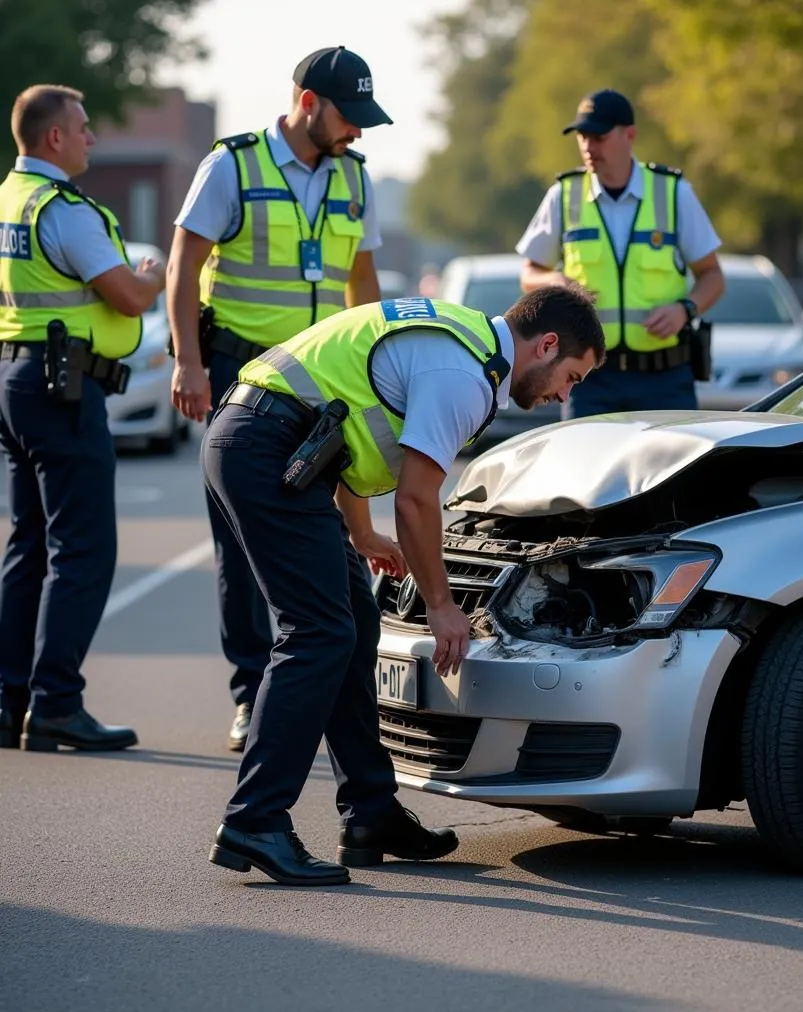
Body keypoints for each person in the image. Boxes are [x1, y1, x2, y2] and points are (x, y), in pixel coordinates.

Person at [203, 286, 604, 885]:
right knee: (317, 633)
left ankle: (370, 813)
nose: (563, 395)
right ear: (546, 345)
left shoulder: (462, 342)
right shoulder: (465, 375)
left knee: (354, 625)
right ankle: (254, 820)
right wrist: (442, 606)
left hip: (274, 441)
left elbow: (343, 422)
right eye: (571, 376)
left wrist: (360, 533)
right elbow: (417, 500)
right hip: (264, 446)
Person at [167, 46, 392, 752]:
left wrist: (381, 366)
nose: (357, 132)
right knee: (243, 546)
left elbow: (364, 285)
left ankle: (322, 693)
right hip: (245, 374)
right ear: (307, 104)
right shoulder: (231, 164)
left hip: (325, 379)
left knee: (334, 536)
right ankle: (249, 693)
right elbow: (184, 264)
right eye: (348, 117)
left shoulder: (355, 178)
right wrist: (189, 362)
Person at [0, 85, 165, 751]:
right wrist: (150, 273)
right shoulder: (63, 209)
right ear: (54, 140)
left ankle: (10, 701)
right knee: (84, 549)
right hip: (60, 388)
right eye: (85, 127)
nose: (93, 138)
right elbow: (125, 296)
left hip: (16, 379)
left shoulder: (9, 199)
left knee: (30, 544)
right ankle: (58, 704)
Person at [517, 88, 725, 417]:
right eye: (582, 136)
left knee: (675, 469)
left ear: (630, 135)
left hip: (665, 379)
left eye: (598, 136)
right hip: (588, 380)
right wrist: (553, 281)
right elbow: (528, 274)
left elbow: (713, 276)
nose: (588, 146)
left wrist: (685, 309)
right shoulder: (563, 196)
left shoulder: (673, 193)